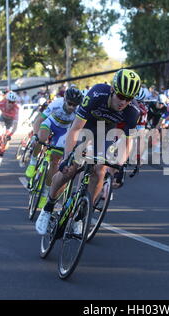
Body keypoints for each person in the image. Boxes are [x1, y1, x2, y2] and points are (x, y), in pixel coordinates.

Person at [35, 69, 141, 235]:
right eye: (121, 96)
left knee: (100, 170)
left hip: (105, 130)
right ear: (113, 90)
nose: (123, 102)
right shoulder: (96, 94)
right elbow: (75, 129)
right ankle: (48, 208)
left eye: (129, 98)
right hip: (86, 125)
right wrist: (68, 157)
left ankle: (80, 217)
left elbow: (128, 141)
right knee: (69, 170)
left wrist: (120, 166)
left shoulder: (133, 111)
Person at [25, 87, 83, 209]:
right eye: (70, 104)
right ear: (65, 100)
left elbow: (78, 130)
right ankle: (33, 162)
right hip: (50, 123)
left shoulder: (78, 111)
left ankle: (45, 194)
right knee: (41, 138)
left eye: (75, 105)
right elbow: (39, 119)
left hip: (63, 131)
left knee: (55, 162)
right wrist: (35, 135)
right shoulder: (56, 104)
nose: (72, 107)